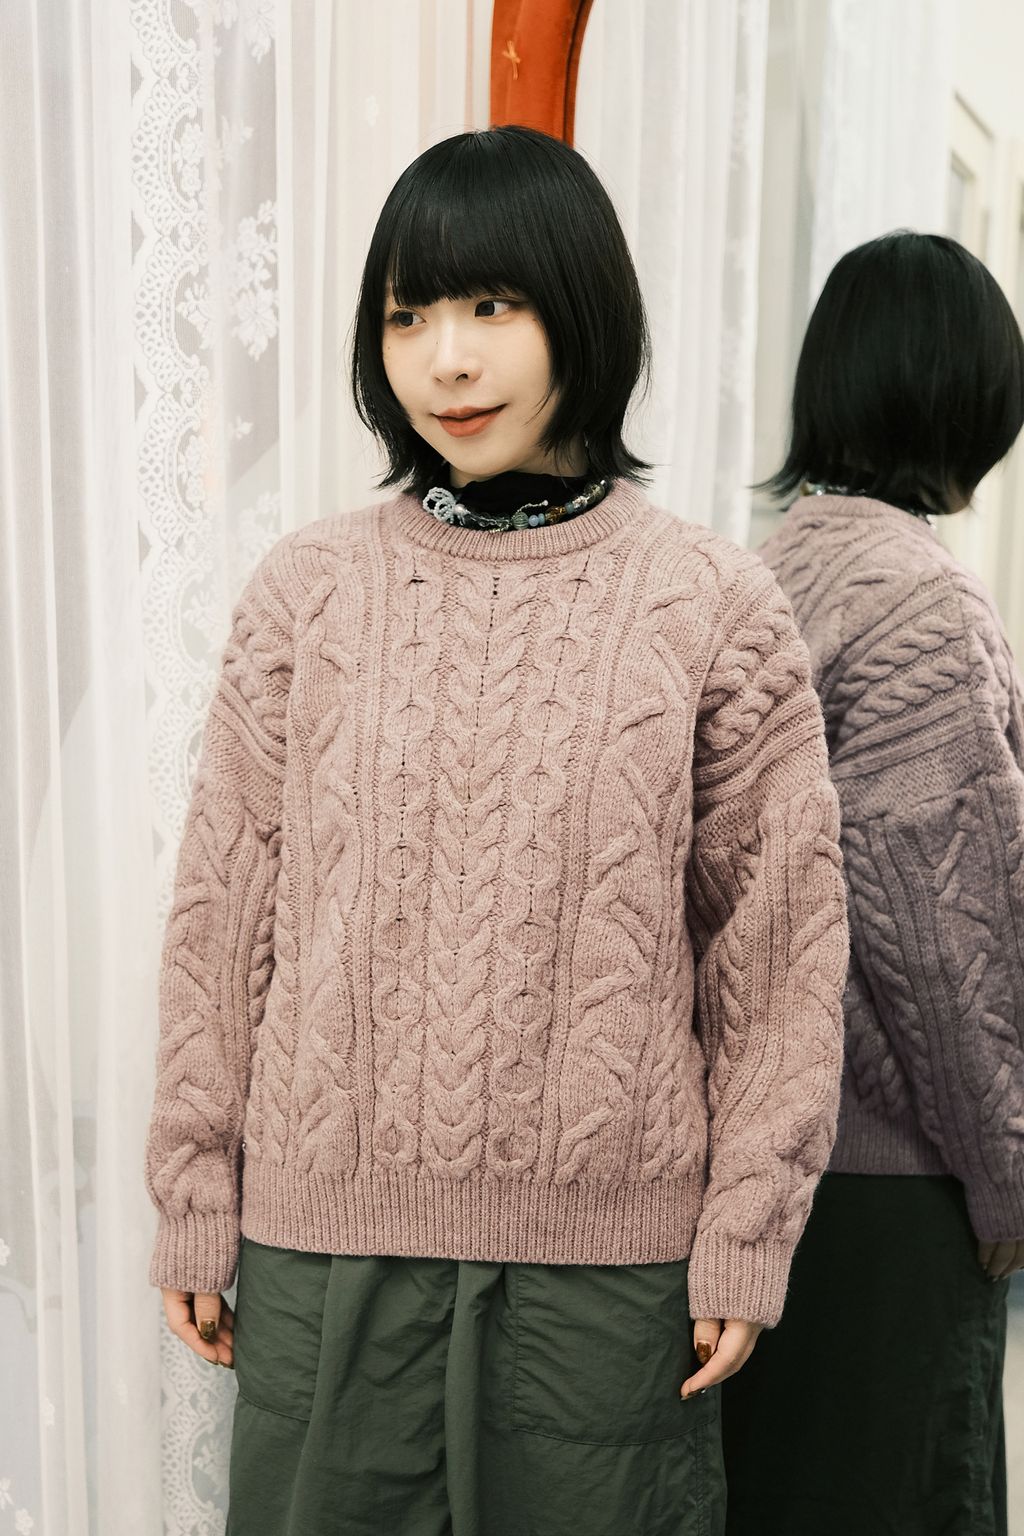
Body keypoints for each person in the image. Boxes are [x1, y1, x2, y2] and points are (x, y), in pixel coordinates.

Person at [143, 125, 849, 1536]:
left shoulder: (709, 605)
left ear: (583, 310)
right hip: (326, 1253)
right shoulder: (306, 594)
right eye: (407, 317)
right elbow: (225, 915)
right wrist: (192, 1187)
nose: (446, 362)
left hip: (607, 1279)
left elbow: (779, 952)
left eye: (491, 306)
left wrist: (747, 1230)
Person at [722, 230, 1024, 1536]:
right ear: (970, 396)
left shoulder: (758, 575)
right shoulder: (923, 607)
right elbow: (949, 950)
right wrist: (1008, 1181)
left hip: (752, 1187)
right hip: (886, 1200)